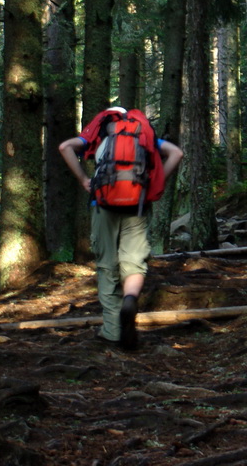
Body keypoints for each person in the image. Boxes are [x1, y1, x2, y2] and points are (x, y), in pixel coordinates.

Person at [59, 107, 183, 350]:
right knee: (134, 261)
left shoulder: (98, 135)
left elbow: (64, 147)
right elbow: (176, 153)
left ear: (105, 118)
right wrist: (155, 183)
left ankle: (112, 332)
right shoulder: (143, 134)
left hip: (102, 204)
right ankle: (130, 299)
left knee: (107, 266)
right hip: (137, 204)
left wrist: (84, 179)